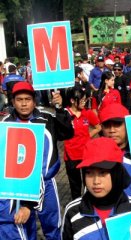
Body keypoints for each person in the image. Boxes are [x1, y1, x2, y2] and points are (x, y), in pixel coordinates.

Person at [2, 81, 74, 239]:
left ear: (34, 101)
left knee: (53, 224)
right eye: (19, 100)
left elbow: (68, 133)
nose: (23, 104)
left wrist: (60, 108)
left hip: (46, 182)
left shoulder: (47, 118)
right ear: (13, 102)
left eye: (27, 99)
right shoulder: (6, 123)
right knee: (25, 225)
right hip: (20, 185)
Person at [61, 137, 131, 240]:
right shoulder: (73, 211)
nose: (96, 181)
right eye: (89, 173)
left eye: (103, 173)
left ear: (116, 173)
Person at [64, 87, 101, 200]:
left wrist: (87, 137)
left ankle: (88, 203)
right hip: (71, 155)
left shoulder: (87, 113)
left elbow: (98, 127)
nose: (84, 102)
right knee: (75, 185)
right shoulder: (65, 114)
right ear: (72, 100)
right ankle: (76, 205)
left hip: (86, 154)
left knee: (88, 182)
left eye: (85, 100)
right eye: (81, 100)